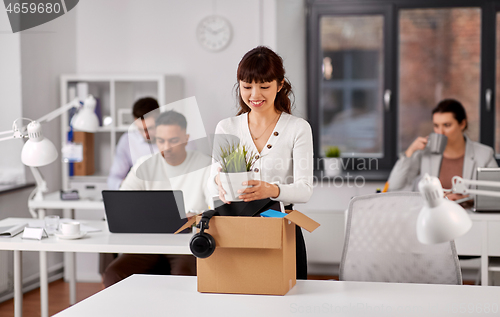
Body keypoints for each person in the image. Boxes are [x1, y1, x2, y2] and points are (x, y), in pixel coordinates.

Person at [209, 46, 314, 279]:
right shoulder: (227, 127)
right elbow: (210, 183)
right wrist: (217, 181)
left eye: (264, 86)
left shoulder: (298, 128)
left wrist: (272, 190)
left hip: (280, 227)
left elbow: (305, 191)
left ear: (280, 85)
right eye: (247, 87)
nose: (255, 95)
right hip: (234, 229)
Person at [102, 110, 212, 287]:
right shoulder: (144, 164)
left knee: (184, 275)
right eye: (161, 140)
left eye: (173, 140)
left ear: (186, 138)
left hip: (185, 246)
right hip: (148, 244)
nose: (166, 147)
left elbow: (216, 208)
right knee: (113, 275)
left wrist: (196, 217)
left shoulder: (206, 165)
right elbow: (122, 202)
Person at [388, 99, 497, 199]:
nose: (440, 132)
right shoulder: (425, 153)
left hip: (469, 217)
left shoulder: (484, 155)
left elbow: (495, 195)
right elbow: (394, 186)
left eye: (447, 125)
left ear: (462, 124)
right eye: (436, 125)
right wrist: (410, 151)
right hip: (432, 216)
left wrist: (466, 199)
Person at [107, 97, 159, 190]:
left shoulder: (176, 139)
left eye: (150, 128)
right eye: (140, 129)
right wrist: (127, 185)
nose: (146, 134)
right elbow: (113, 179)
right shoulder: (127, 140)